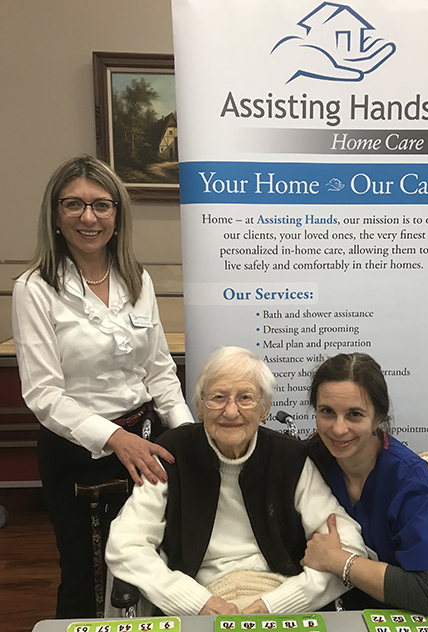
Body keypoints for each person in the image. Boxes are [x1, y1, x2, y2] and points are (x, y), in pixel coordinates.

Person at [11, 155, 194, 618]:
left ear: (117, 215)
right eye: (73, 204)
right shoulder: (34, 288)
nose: (88, 217)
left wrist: (189, 437)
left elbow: (158, 371)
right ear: (55, 214)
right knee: (87, 573)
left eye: (101, 205)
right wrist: (114, 438)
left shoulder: (137, 279)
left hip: (147, 439)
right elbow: (44, 394)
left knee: (150, 564)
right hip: (77, 452)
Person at [106, 346, 368, 615]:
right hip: (197, 597)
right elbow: (125, 543)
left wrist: (279, 604)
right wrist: (194, 602)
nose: (231, 412)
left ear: (264, 408)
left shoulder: (289, 456)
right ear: (198, 407)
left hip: (280, 598)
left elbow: (347, 544)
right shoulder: (173, 453)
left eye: (245, 398)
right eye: (218, 398)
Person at [303, 352, 428, 614]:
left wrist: (337, 560)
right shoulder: (311, 460)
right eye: (327, 412)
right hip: (374, 612)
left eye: (355, 414)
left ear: (378, 417)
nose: (338, 429)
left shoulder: (410, 478)